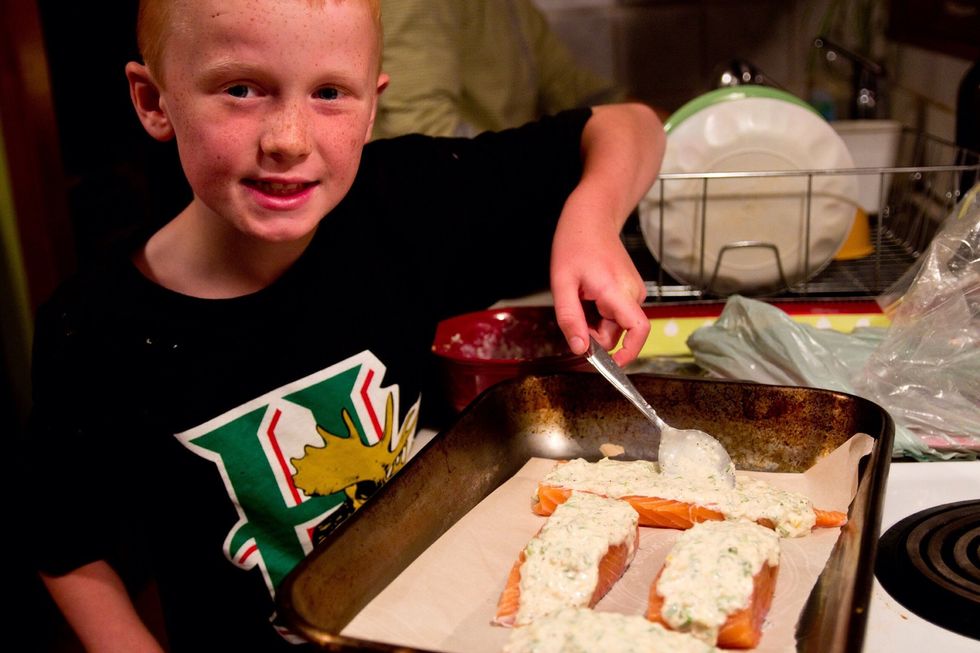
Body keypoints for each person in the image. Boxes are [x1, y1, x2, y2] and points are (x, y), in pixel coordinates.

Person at [22, 0, 664, 650]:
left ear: (371, 107)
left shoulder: (405, 204)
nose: (289, 139)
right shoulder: (93, 328)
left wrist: (589, 221)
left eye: (330, 93)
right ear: (154, 100)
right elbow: (68, 547)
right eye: (241, 89)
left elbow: (629, 126)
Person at [372, 0, 626, 139]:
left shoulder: (512, 7)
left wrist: (629, 113)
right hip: (448, 195)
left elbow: (563, 82)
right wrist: (518, 166)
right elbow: (418, 122)